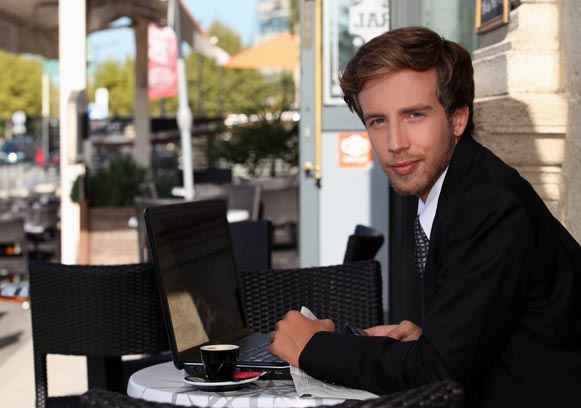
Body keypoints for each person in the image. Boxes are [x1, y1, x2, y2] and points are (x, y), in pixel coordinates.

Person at [270, 26, 581, 407]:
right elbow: (467, 344)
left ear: (457, 119)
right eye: (377, 121)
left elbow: (438, 373)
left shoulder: (488, 206)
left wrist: (313, 347)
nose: (395, 143)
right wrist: (430, 339)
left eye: (414, 115)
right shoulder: (452, 185)